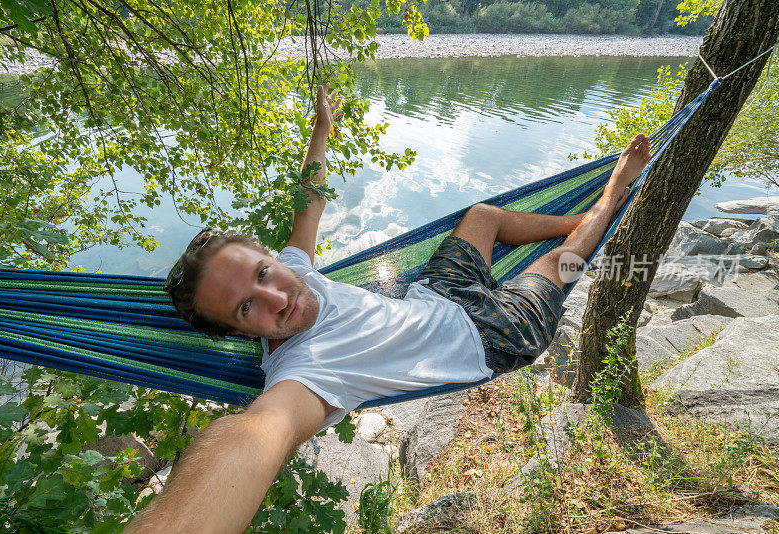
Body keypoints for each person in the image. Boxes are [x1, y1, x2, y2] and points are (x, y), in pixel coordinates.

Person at [124, 82, 650, 533]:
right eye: (246, 309)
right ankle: (607, 200)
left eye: (264, 273)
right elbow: (256, 434)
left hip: (438, 293)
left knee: (482, 216)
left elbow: (309, 204)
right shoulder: (301, 375)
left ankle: (578, 218)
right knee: (561, 262)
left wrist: (321, 132)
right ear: (239, 334)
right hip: (491, 336)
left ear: (268, 258)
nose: (277, 297)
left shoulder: (296, 271)